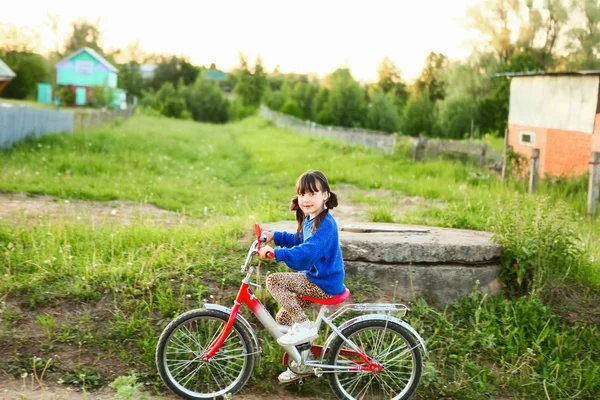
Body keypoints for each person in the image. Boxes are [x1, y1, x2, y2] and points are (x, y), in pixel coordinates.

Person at [258, 170, 346, 382]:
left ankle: (304, 326)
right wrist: (275, 236)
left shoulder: (326, 224)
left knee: (274, 280)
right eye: (302, 193)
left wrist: (276, 253)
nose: (306, 199)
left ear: (325, 195)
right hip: (317, 280)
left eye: (312, 193)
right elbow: (300, 238)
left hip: (323, 283)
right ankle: (303, 363)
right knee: (283, 318)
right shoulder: (312, 219)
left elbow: (307, 253)